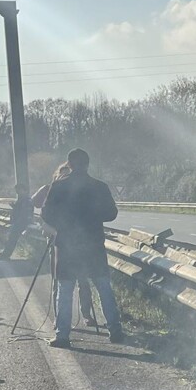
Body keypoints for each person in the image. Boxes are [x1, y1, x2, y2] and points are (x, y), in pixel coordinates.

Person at [40, 148, 123, 348]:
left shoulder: (58, 186)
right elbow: (111, 214)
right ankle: (115, 329)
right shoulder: (99, 186)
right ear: (88, 164)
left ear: (69, 164)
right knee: (103, 287)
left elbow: (46, 214)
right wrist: (92, 217)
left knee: (65, 290)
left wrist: (63, 225)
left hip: (67, 245)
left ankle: (62, 336)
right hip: (93, 244)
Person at [0, 184, 34, 260]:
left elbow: (24, 213)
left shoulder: (26, 200)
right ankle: (5, 255)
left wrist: (17, 223)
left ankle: (4, 255)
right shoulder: (23, 199)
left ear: (24, 190)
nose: (17, 192)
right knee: (11, 239)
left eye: (19, 190)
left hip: (20, 223)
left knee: (11, 240)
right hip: (19, 222)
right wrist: (14, 206)